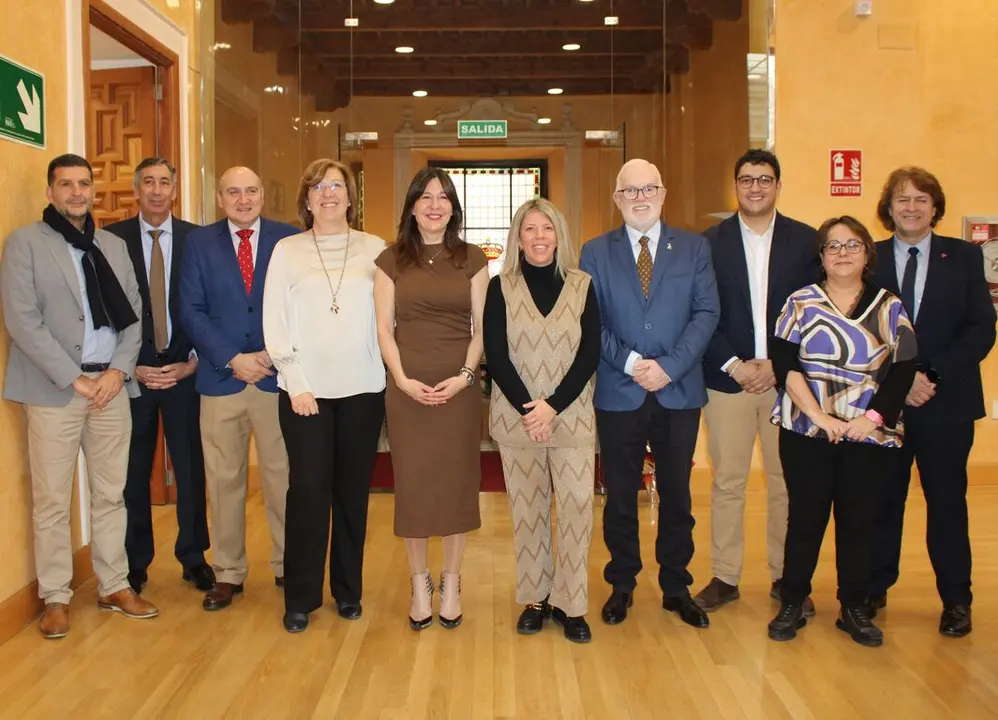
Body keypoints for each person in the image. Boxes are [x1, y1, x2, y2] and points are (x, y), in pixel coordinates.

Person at [0, 154, 159, 638]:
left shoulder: (111, 245)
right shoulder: (25, 244)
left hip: (110, 387)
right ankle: (55, 597)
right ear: (50, 192)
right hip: (55, 390)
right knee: (52, 499)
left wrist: (116, 372)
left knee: (112, 493)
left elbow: (134, 316)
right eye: (65, 184)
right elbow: (22, 321)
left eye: (83, 184)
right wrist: (75, 378)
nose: (76, 192)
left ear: (94, 191)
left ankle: (113, 584)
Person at [580, 158, 719, 629]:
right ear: (617, 199)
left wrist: (670, 367)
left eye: (649, 189)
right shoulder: (595, 252)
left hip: (678, 392)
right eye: (630, 191)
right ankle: (622, 584)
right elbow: (590, 321)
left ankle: (676, 585)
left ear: (663, 194)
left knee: (677, 493)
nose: (640, 198)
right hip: (620, 390)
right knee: (620, 494)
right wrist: (635, 365)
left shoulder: (694, 249)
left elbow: (706, 313)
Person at [767, 216, 917, 648]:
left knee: (859, 520)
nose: (842, 253)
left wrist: (867, 420)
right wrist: (819, 416)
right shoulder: (800, 302)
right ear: (821, 256)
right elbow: (785, 364)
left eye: (852, 245)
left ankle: (853, 606)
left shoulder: (889, 305)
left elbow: (903, 368)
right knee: (806, 519)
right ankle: (793, 601)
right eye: (833, 246)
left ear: (867, 253)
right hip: (805, 431)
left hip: (866, 434)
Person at [868, 167, 996, 638]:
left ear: (935, 207)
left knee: (947, 503)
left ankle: (956, 601)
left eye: (922, 199)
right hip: (884, 405)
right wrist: (902, 381)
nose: (912, 207)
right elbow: (861, 335)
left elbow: (982, 328)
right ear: (889, 208)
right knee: (883, 501)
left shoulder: (963, 257)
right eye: (902, 199)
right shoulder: (870, 259)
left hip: (947, 404)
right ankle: (874, 587)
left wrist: (931, 373)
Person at [264, 159, 387, 633]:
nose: (328, 193)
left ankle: (348, 591)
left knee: (352, 495)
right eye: (318, 186)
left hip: (363, 389)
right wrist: (296, 381)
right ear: (307, 198)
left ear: (351, 197)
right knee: (309, 493)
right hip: (305, 394)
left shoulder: (375, 249)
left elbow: (387, 319)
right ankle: (301, 596)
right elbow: (274, 321)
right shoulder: (287, 251)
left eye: (337, 185)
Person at [695, 149, 819, 614]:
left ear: (778, 186)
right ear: (736, 186)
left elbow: (814, 314)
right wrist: (735, 364)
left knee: (787, 481)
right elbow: (702, 313)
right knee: (727, 480)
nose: (755, 187)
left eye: (764, 179)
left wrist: (778, 365)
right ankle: (725, 577)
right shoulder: (708, 244)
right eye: (746, 179)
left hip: (788, 383)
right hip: (727, 381)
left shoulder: (807, 243)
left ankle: (787, 578)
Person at [374, 167, 489, 630]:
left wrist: (466, 376)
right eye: (426, 196)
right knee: (416, 486)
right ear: (413, 205)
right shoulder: (390, 260)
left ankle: (452, 580)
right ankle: (419, 581)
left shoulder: (473, 258)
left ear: (453, 207)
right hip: (407, 389)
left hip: (458, 389)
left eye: (443, 197)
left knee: (457, 483)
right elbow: (383, 328)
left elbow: (482, 329)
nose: (435, 204)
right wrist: (400, 378)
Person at [179, 166, 298, 611]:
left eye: (250, 190)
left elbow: (299, 304)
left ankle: (289, 565)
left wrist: (269, 355)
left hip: (275, 378)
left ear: (263, 194)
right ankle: (228, 572)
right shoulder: (199, 243)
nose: (243, 199)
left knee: (282, 477)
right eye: (233, 192)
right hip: (220, 379)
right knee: (223, 480)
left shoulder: (289, 240)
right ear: (219, 196)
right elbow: (191, 310)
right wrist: (233, 358)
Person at [484, 198, 601, 643]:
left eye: (546, 228)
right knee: (528, 512)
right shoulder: (502, 287)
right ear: (518, 237)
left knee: (575, 510)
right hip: (517, 422)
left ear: (559, 235)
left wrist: (552, 406)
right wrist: (530, 410)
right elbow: (496, 355)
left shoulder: (582, 284)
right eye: (529, 229)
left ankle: (572, 605)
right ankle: (536, 598)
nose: (538, 237)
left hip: (571, 418)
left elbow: (590, 352)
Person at [104, 157, 212, 595]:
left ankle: (193, 556)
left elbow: (206, 304)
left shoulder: (196, 240)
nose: (155, 189)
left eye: (163, 182)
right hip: (135, 373)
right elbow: (105, 310)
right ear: (136, 189)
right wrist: (131, 364)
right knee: (133, 470)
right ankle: (135, 561)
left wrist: (192, 361)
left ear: (174, 189)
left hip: (185, 369)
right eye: (147, 182)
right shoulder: (112, 240)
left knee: (190, 466)